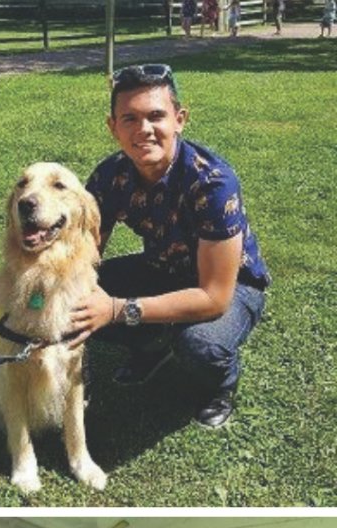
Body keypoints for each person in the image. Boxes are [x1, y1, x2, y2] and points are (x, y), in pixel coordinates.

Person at [71, 65, 270, 428]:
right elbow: (84, 253)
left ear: (180, 120)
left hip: (231, 285)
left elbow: (213, 297)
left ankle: (221, 383)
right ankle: (150, 345)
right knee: (75, 296)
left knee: (200, 344)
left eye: (156, 116)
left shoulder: (213, 182)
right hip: (162, 267)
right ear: (113, 127)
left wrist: (117, 310)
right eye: (129, 119)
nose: (143, 129)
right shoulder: (110, 175)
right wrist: (52, 293)